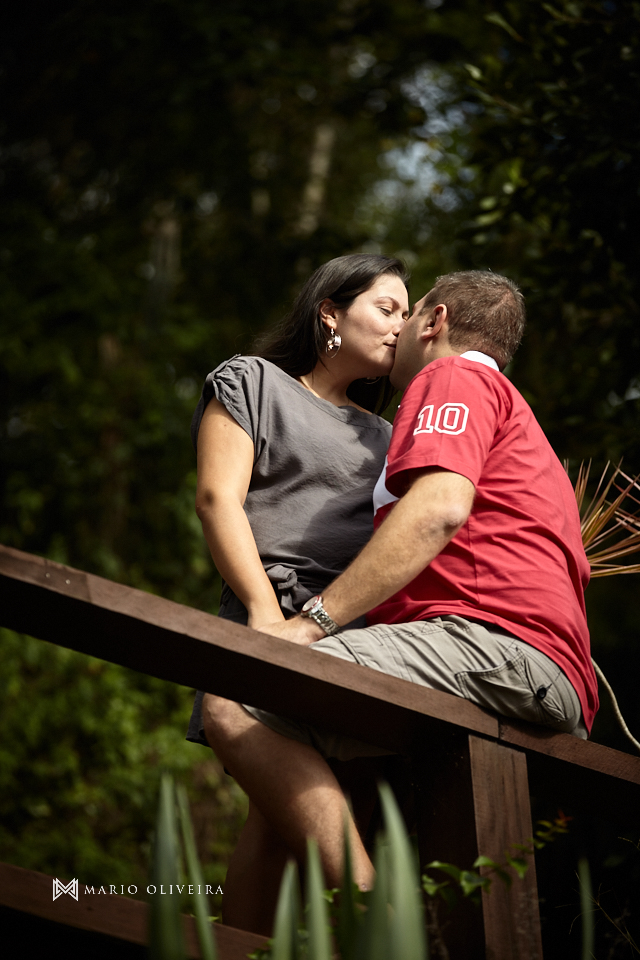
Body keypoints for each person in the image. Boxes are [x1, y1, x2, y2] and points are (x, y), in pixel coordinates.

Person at [202, 269, 599, 933]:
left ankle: (385, 932)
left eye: (406, 313)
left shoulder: (453, 378)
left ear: (435, 321)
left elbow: (440, 508)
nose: (397, 328)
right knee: (285, 806)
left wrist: (312, 623)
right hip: (531, 669)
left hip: (490, 646)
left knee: (237, 701)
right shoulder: (510, 411)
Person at [188, 253, 409, 932]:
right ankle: (385, 934)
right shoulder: (253, 381)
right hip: (274, 611)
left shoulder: (389, 435)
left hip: (364, 638)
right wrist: (265, 614)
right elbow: (217, 498)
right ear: (330, 313)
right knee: (277, 795)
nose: (400, 326)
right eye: (387, 308)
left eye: (407, 315)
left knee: (289, 819)